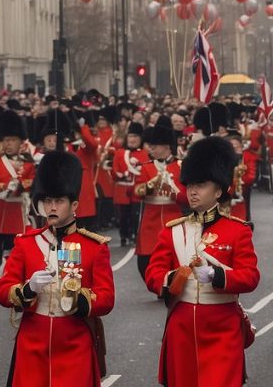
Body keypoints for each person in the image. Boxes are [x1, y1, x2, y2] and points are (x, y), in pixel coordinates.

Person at [144, 136, 259, 387]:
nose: (193, 191)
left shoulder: (238, 231)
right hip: (182, 327)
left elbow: (250, 276)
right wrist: (171, 279)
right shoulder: (172, 230)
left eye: (201, 185)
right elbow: (153, 272)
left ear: (218, 190)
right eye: (190, 185)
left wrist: (218, 276)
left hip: (222, 327)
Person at [0, 149, 114, 387]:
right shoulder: (26, 242)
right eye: (47, 201)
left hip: (74, 341)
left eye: (58, 201)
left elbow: (106, 298)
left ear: (74, 205)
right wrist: (27, 290)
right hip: (33, 342)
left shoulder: (94, 247)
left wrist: (79, 299)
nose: (51, 207)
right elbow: (3, 288)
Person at [0, 110, 35, 289]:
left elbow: (33, 184)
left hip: (15, 213)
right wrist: (3, 186)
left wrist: (21, 185)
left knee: (15, 250)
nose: (8, 144)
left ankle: (10, 279)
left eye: (13, 140)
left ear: (20, 142)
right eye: (6, 140)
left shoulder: (28, 163)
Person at [134, 120, 186, 279]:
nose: (151, 149)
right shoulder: (146, 167)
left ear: (166, 146)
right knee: (145, 261)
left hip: (173, 217)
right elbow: (137, 192)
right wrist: (150, 186)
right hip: (151, 219)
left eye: (154, 146)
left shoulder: (180, 166)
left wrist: (171, 192)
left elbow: (186, 198)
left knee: (173, 255)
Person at [111, 121, 148, 247]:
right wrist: (123, 174)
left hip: (137, 189)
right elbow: (114, 171)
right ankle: (124, 236)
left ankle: (134, 234)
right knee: (123, 216)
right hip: (123, 189)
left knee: (135, 214)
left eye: (136, 137)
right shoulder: (120, 153)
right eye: (131, 136)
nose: (133, 139)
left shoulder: (144, 154)